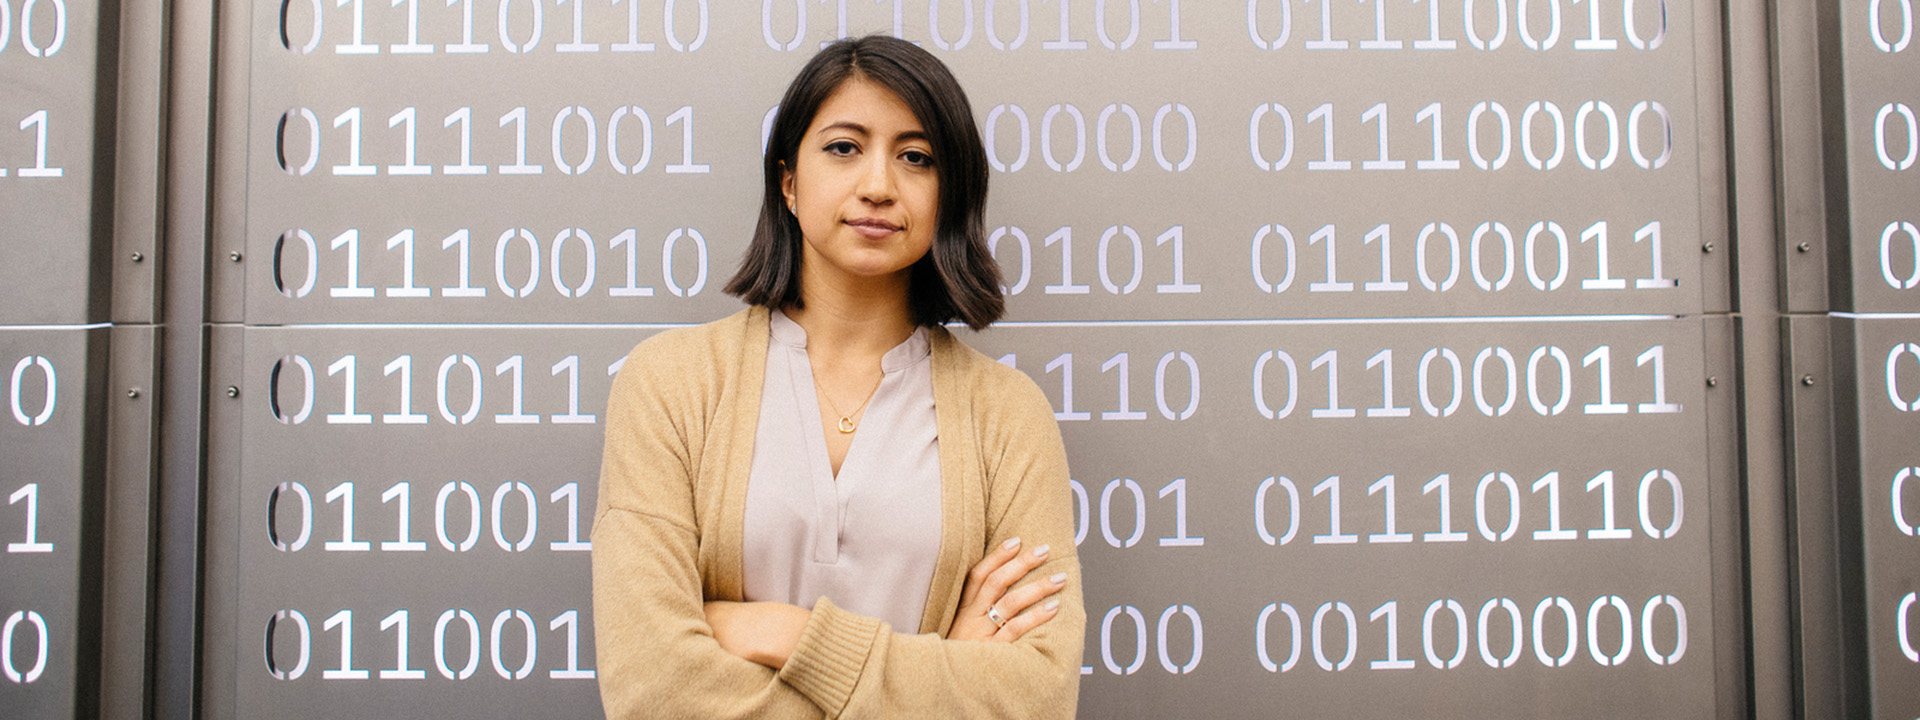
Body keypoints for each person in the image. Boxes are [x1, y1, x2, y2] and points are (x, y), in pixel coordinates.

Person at [591, 35, 1084, 719]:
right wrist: (943, 679)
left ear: (949, 192)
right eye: (844, 148)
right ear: (789, 181)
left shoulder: (1006, 414)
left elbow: (1034, 698)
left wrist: (787, 633)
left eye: (916, 158)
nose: (878, 185)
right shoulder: (671, 385)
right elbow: (653, 687)